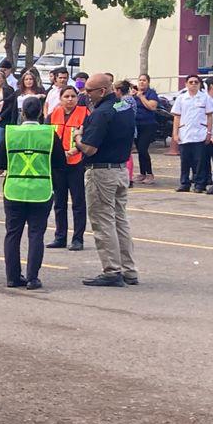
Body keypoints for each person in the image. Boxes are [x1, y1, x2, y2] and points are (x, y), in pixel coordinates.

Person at [76, 75, 138, 287]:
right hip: (120, 169)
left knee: (103, 221)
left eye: (89, 91)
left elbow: (90, 148)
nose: (86, 95)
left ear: (102, 91)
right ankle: (129, 269)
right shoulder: (124, 107)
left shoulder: (101, 113)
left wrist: (78, 138)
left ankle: (112, 270)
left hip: (101, 172)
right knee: (120, 220)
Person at [1, 97, 56, 289]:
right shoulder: (49, 133)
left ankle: (12, 277)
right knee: (36, 234)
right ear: (40, 113)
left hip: (14, 188)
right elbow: (59, 162)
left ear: (22, 113)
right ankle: (32, 278)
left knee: (12, 233)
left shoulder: (10, 133)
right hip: (41, 189)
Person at [46, 86, 88, 251]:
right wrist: (58, 153)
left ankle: (78, 239)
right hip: (58, 164)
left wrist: (76, 149)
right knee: (59, 202)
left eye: (73, 96)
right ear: (60, 98)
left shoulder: (85, 114)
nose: (70, 99)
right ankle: (60, 237)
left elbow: (90, 136)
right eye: (66, 96)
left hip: (76, 163)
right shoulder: (53, 115)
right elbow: (46, 137)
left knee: (78, 202)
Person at [171, 75, 213, 192]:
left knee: (199, 162)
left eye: (196, 82)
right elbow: (177, 117)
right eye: (191, 82)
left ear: (199, 84)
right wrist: (175, 133)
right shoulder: (181, 98)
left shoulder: (205, 98)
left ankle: (200, 184)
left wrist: (209, 132)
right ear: (186, 84)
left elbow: (209, 116)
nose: (193, 84)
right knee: (185, 161)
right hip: (185, 133)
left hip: (200, 134)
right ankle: (184, 183)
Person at [131, 73, 161, 184]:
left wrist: (141, 97)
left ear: (148, 82)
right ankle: (142, 173)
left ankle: (149, 173)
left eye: (144, 80)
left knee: (143, 148)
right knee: (140, 150)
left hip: (148, 125)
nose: (141, 82)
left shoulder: (151, 93)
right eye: (140, 80)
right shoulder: (134, 93)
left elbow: (152, 107)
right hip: (136, 125)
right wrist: (131, 96)